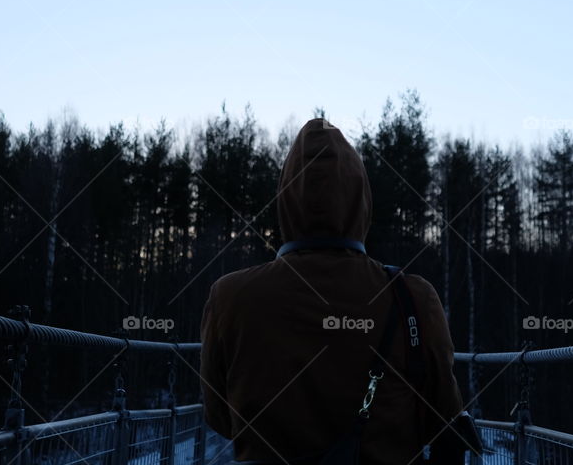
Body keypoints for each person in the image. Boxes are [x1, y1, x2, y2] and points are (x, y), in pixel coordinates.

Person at [200, 117, 476, 464]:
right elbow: (442, 417)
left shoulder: (230, 297)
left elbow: (221, 419)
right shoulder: (413, 298)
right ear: (361, 197)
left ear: (285, 197)